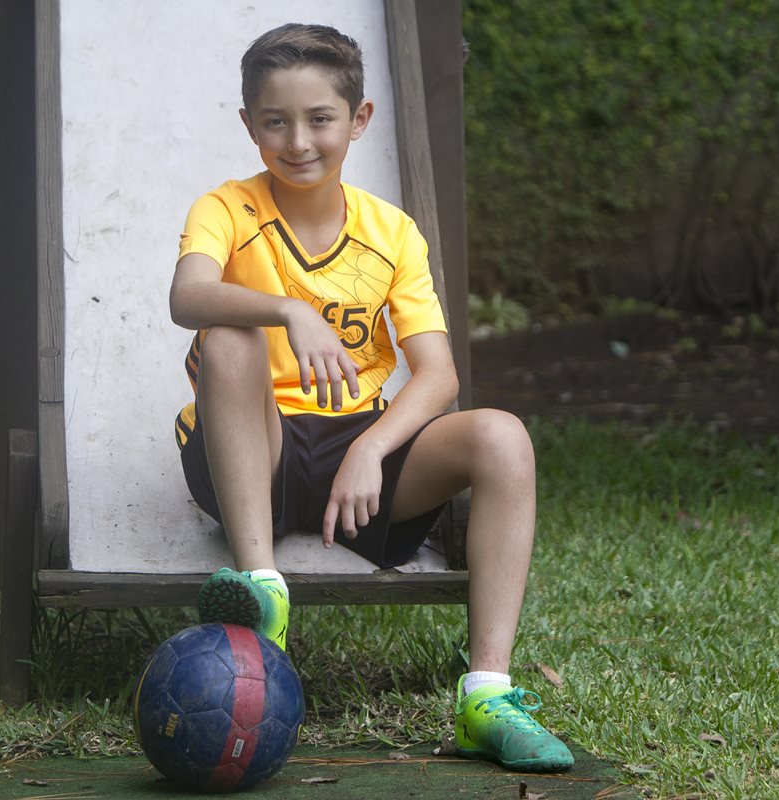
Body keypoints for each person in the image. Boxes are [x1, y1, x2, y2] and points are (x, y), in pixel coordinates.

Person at [168, 22, 573, 773]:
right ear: (247, 123)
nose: (297, 141)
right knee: (227, 335)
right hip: (255, 446)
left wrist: (372, 445)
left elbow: (439, 376)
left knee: (503, 436)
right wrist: (290, 311)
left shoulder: (392, 233)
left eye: (320, 119)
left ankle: (487, 694)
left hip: (356, 447)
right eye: (275, 121)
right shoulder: (226, 208)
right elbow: (187, 295)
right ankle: (263, 597)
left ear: (359, 120)